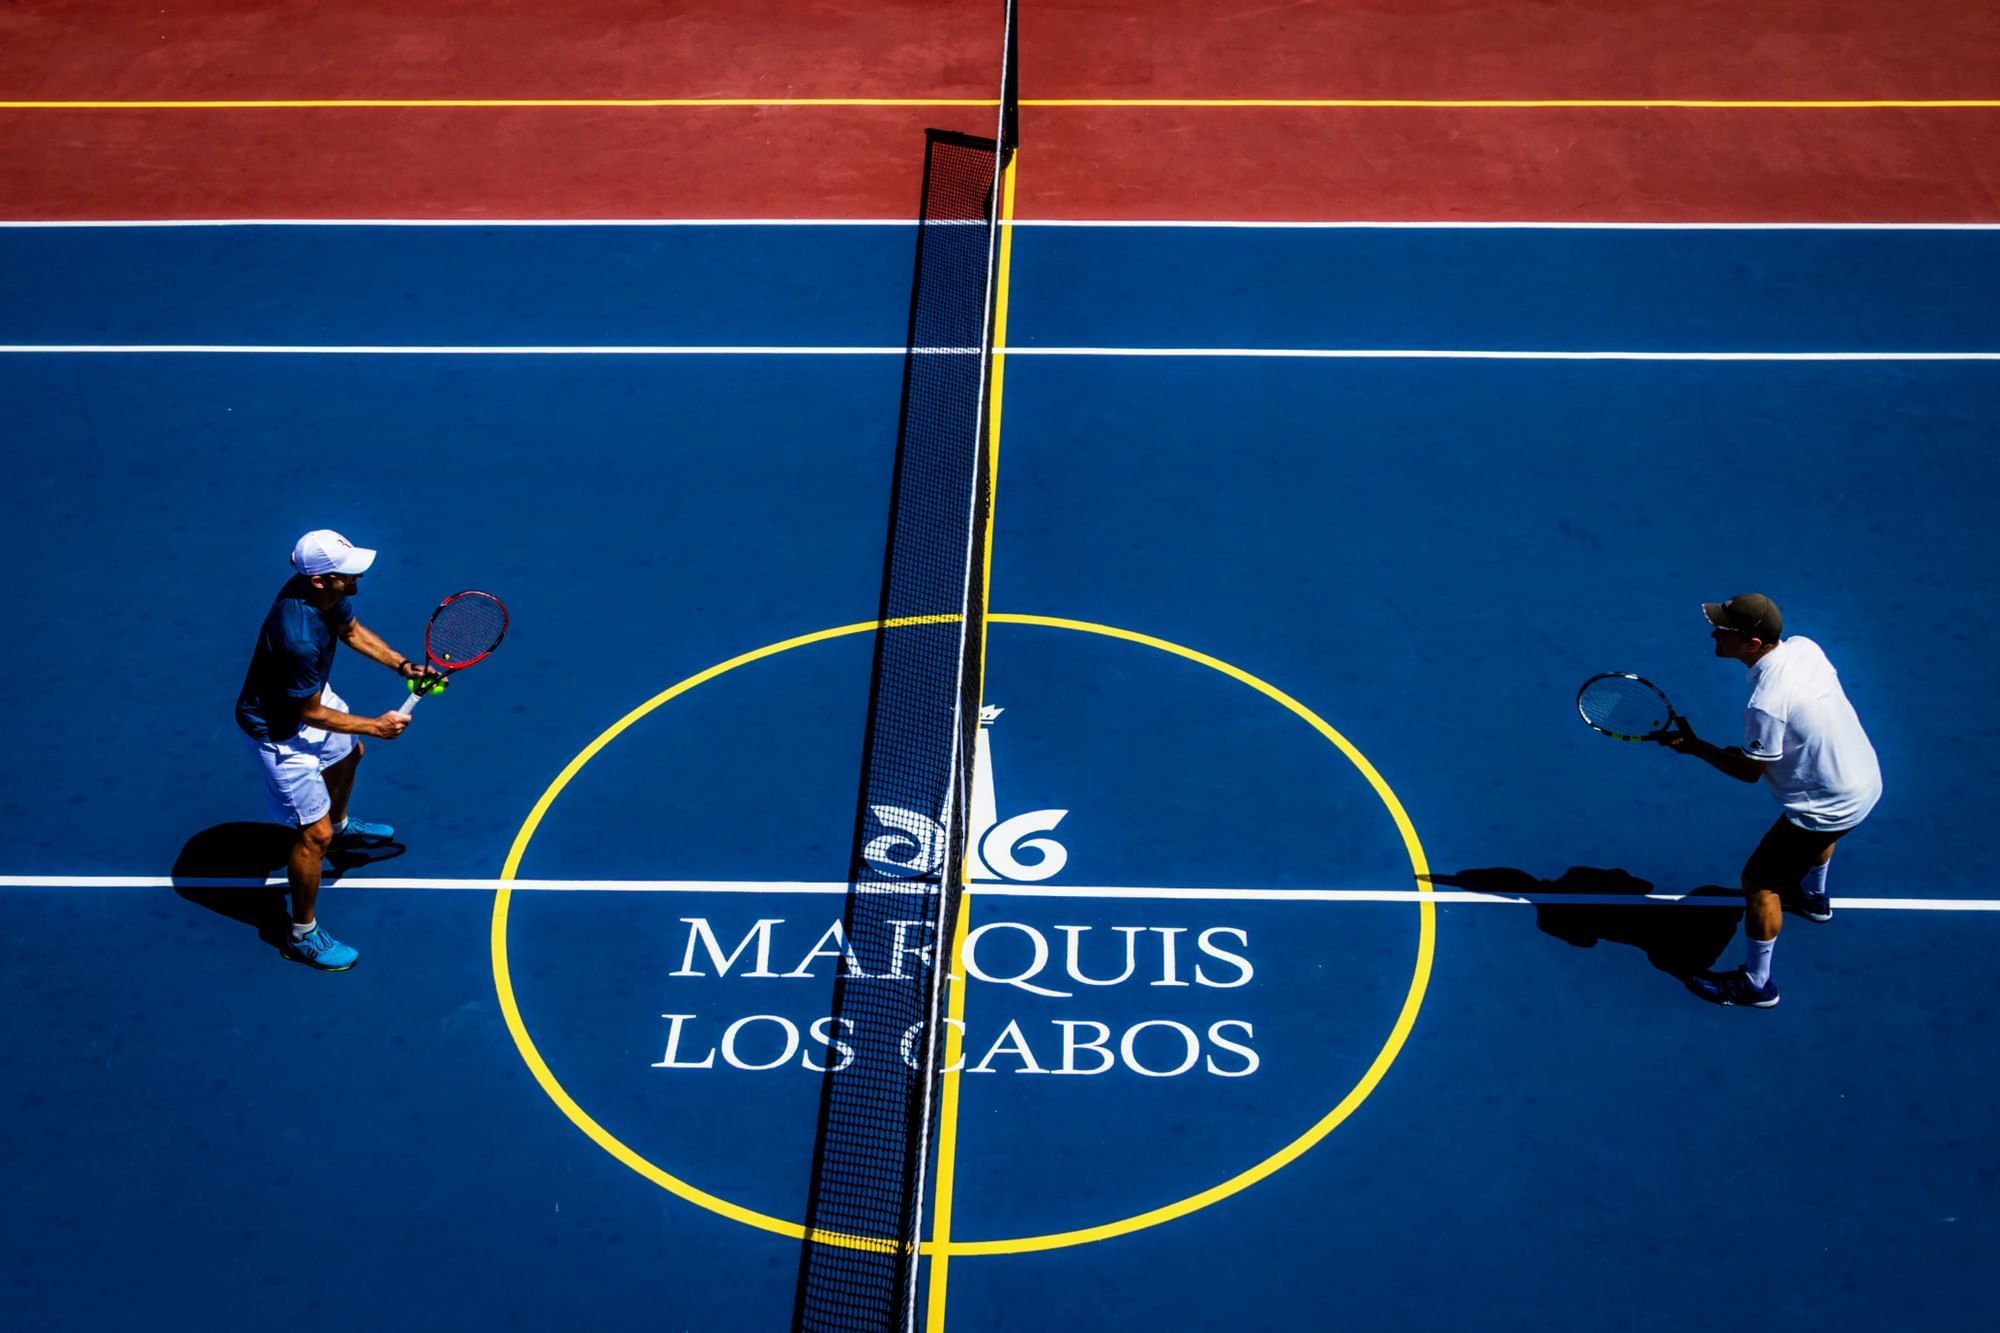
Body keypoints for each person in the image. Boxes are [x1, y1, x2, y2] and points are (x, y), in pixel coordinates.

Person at [1660, 593, 1882, 1008]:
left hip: (1826, 804)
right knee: (1814, 834)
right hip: (1863, 781)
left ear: (1753, 644)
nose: (1714, 633)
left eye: (1724, 629)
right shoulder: (1804, 647)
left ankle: (1755, 985)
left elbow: (1749, 772)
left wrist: (1696, 747)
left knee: (1759, 882)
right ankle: (1813, 898)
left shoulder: (1765, 703)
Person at [235, 530, 439, 970]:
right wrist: (376, 725)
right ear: (320, 580)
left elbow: (350, 629)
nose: (359, 575)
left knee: (351, 755)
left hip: (309, 700)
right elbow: (309, 714)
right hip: (280, 729)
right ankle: (300, 935)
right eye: (347, 573)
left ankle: (342, 826)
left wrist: (404, 665)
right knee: (314, 835)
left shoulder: (323, 597)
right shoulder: (297, 638)